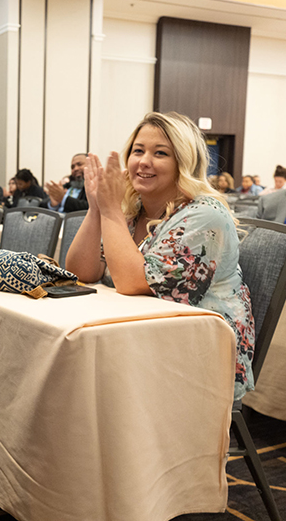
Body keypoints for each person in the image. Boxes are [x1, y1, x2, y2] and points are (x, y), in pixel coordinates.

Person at [66, 111, 255, 401]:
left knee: (78, 378)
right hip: (141, 338)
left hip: (200, 356)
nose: (143, 161)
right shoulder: (134, 212)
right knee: (69, 367)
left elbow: (131, 282)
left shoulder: (204, 215)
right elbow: (83, 272)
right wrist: (96, 209)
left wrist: (110, 211)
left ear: (184, 162)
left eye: (160, 153)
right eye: (138, 151)